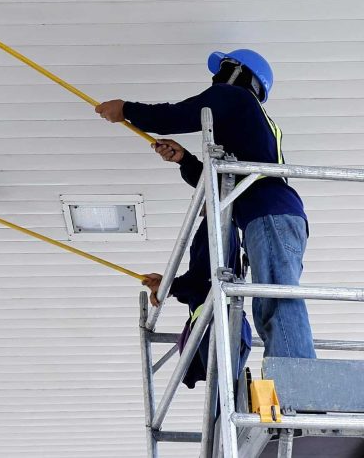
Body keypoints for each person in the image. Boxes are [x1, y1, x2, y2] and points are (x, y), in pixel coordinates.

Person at [96, 49, 316, 359]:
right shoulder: (250, 126)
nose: (217, 77)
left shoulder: (235, 97)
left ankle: (297, 379)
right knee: (271, 299)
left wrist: (127, 110)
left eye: (225, 68)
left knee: (275, 299)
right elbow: (225, 182)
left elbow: (181, 114)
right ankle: (293, 377)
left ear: (241, 74)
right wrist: (184, 160)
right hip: (272, 212)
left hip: (268, 212)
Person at [142, 139, 251, 388]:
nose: (196, 199)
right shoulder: (221, 230)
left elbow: (203, 280)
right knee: (223, 399)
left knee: (222, 400)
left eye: (200, 194)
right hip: (218, 326)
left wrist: (171, 286)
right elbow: (203, 280)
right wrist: (170, 286)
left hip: (215, 326)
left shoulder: (216, 230)